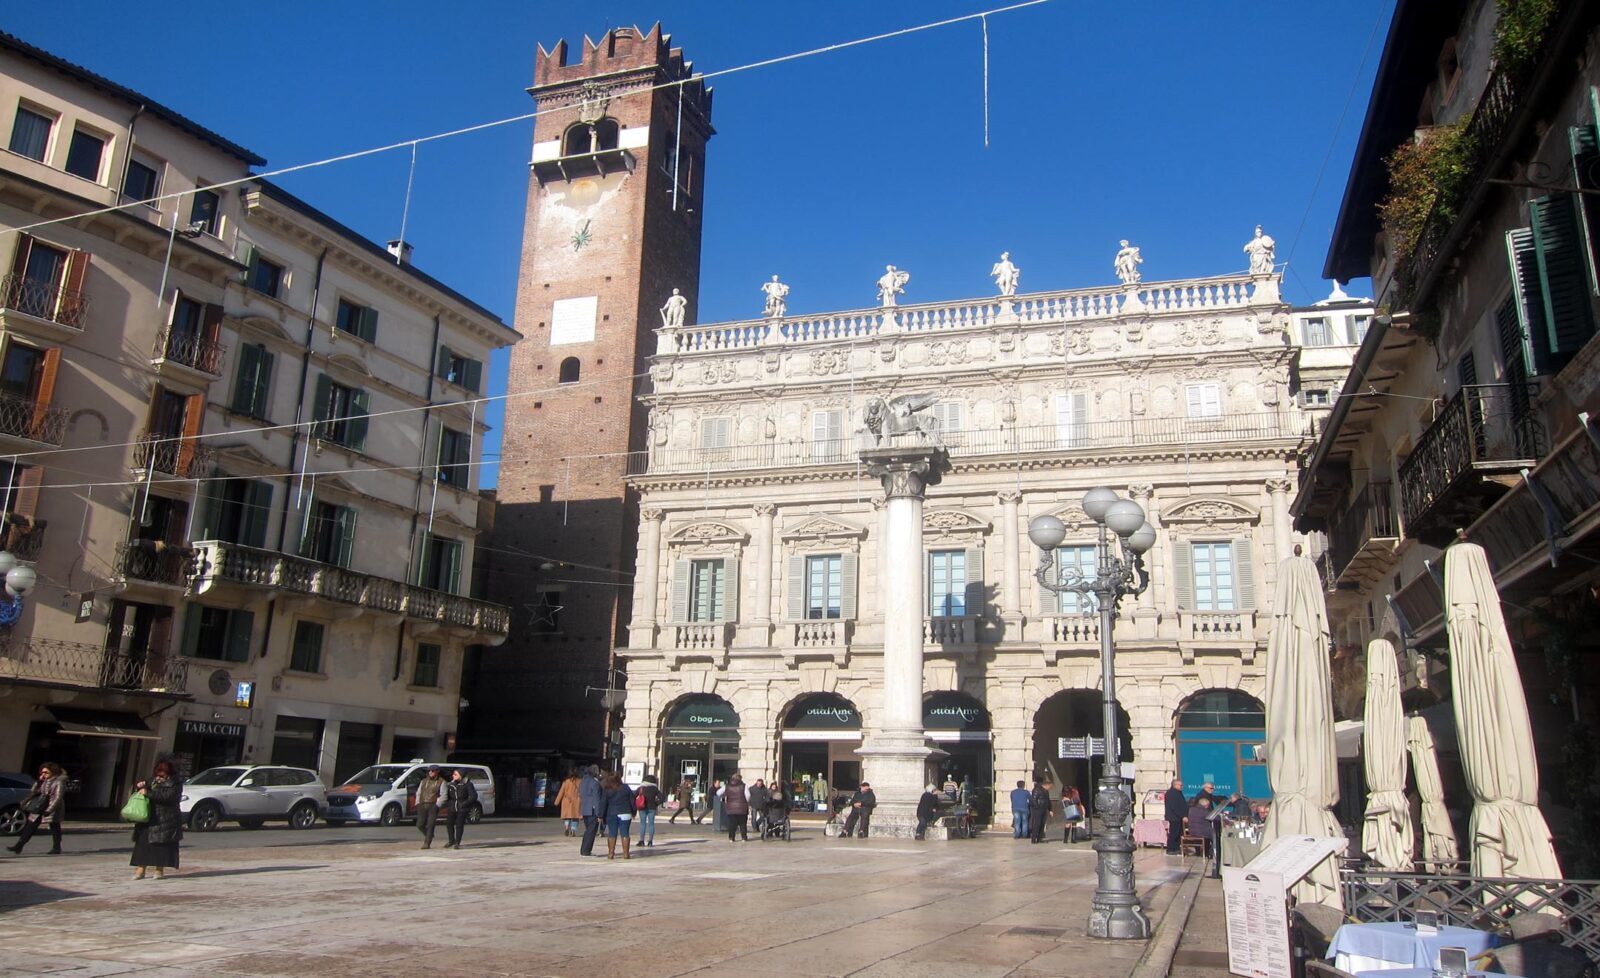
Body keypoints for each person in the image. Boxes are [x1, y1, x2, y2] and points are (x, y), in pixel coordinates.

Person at [130, 759, 183, 879]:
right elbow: (143, 788)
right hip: (148, 818)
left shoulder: (175, 783)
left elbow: (168, 797)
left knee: (160, 846)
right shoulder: (153, 781)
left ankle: (159, 870)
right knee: (143, 845)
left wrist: (148, 793)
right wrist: (140, 786)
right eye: (157, 775)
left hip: (165, 819)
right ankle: (140, 870)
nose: (159, 777)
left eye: (162, 775)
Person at [8, 761, 64, 855]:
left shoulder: (59, 781)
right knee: (31, 825)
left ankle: (57, 847)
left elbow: (58, 797)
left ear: (53, 772)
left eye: (46, 772)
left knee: (54, 827)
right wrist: (39, 781)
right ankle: (19, 845)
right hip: (40, 805)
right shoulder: (43, 781)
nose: (44, 774)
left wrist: (49, 810)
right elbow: (33, 792)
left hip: (52, 806)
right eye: (42, 772)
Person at [599, 772, 635, 860]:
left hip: (612, 813)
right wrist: (633, 811)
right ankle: (626, 854)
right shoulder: (626, 788)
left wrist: (600, 815)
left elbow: (603, 803)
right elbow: (632, 800)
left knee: (612, 833)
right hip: (625, 812)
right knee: (625, 833)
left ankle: (611, 853)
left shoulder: (607, 789)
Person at [442, 767, 477, 850]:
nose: (453, 776)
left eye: (455, 774)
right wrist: (447, 803)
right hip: (452, 806)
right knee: (449, 824)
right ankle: (451, 840)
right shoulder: (451, 784)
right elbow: (447, 795)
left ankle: (457, 842)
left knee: (459, 824)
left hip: (462, 807)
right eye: (453, 774)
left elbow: (473, 796)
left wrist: (465, 803)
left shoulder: (468, 784)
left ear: (461, 775)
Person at [415, 764, 445, 849]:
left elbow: (443, 795)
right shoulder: (424, 781)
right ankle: (429, 835)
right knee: (420, 824)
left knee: (430, 824)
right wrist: (417, 803)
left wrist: (438, 805)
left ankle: (427, 843)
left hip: (433, 805)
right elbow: (418, 792)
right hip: (422, 804)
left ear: (437, 772)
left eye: (432, 771)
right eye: (429, 771)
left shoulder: (441, 782)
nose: (430, 772)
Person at [578, 765, 601, 856]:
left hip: (584, 808)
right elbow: (596, 799)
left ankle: (584, 849)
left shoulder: (583, 782)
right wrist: (599, 813)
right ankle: (586, 850)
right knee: (591, 831)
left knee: (588, 830)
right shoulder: (595, 783)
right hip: (592, 809)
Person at [635, 776, 662, 847]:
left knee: (642, 824)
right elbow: (662, 798)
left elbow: (633, 796)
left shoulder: (641, 788)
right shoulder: (654, 789)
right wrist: (656, 803)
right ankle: (650, 841)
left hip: (642, 808)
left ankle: (641, 841)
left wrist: (636, 804)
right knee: (651, 824)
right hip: (652, 808)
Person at [554, 769, 582, 837]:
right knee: (575, 817)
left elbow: (561, 792)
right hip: (576, 800)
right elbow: (582, 792)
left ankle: (567, 828)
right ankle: (573, 830)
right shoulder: (580, 782)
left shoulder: (565, 782)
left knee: (567, 817)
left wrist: (556, 802)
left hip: (567, 801)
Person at [722, 774, 750, 842]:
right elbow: (748, 795)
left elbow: (718, 793)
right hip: (742, 808)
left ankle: (731, 838)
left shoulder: (727, 786)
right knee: (743, 824)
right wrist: (746, 802)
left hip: (731, 808)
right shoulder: (744, 786)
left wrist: (724, 797)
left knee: (732, 824)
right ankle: (744, 838)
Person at [1187, 796, 1216, 860]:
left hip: (1192, 831)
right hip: (1202, 832)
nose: (1208, 806)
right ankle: (1208, 853)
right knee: (1214, 836)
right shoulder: (1203, 811)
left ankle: (1198, 852)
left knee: (1207, 834)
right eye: (1208, 805)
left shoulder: (1192, 809)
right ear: (1206, 805)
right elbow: (1215, 817)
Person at [1164, 778, 1188, 855]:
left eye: (1182, 785)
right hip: (1174, 817)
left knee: (1178, 833)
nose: (1182, 786)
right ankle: (1171, 849)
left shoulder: (1178, 792)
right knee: (1174, 833)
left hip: (1178, 817)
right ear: (1175, 785)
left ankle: (1176, 848)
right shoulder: (1171, 793)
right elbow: (1175, 807)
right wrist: (1182, 816)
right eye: (1180, 785)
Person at [1028, 780, 1052, 844]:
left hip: (1044, 809)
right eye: (1050, 786)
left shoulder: (1046, 791)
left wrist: (1050, 809)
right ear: (1047, 785)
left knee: (1042, 824)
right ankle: (1034, 839)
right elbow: (1034, 799)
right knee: (1037, 824)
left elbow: (1048, 800)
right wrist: (1037, 807)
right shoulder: (1037, 790)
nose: (1050, 788)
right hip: (1038, 809)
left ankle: (1039, 838)